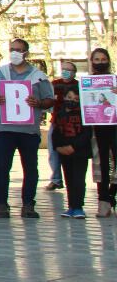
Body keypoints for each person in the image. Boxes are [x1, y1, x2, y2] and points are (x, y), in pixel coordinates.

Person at [0, 38, 54, 219]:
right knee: (1, 167)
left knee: (30, 168)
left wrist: (38, 103)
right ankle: (1, 204)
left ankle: (28, 204)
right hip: (3, 129)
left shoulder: (38, 76)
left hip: (28, 130)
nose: (15, 52)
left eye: (19, 50)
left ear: (26, 53)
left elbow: (49, 100)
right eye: (12, 49)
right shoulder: (0, 73)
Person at [51, 76, 92, 218]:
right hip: (64, 153)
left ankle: (79, 206)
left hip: (80, 153)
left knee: (79, 179)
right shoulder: (60, 114)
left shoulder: (84, 115)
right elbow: (55, 133)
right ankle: (71, 206)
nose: (72, 100)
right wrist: (59, 147)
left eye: (76, 99)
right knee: (68, 179)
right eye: (69, 97)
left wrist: (73, 146)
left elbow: (87, 134)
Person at [89, 47, 116, 218]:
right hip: (96, 129)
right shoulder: (86, 82)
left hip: (114, 125)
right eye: (96, 59)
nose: (100, 62)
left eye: (103, 59)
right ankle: (103, 201)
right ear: (92, 62)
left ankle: (111, 194)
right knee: (101, 165)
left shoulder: (114, 80)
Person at [45, 60, 76, 192]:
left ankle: (73, 180)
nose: (65, 71)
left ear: (74, 72)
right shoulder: (54, 84)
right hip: (56, 122)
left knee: (73, 152)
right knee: (53, 152)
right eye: (63, 68)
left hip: (74, 123)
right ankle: (56, 180)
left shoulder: (78, 86)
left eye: (68, 69)